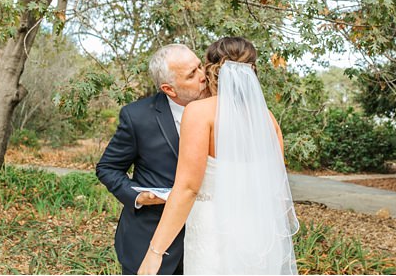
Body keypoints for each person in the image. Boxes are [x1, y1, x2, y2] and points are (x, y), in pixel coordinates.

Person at [138, 37, 298, 275]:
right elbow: (276, 187)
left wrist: (155, 252)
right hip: (258, 235)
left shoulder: (201, 113)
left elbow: (187, 189)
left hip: (212, 233)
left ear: (212, 69)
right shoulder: (267, 119)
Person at [96, 44, 207, 275]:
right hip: (149, 240)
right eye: (192, 74)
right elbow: (108, 168)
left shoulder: (221, 109)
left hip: (208, 242)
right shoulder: (137, 117)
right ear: (169, 88)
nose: (203, 76)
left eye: (200, 66)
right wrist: (137, 196)